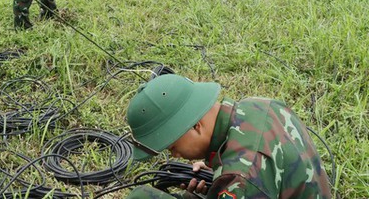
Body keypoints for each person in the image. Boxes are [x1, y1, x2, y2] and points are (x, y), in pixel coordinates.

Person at [126, 74, 332, 199]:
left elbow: (246, 173)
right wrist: (219, 169)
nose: (175, 155)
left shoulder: (238, 178)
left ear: (196, 126)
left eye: (172, 146)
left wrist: (225, 179)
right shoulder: (258, 104)